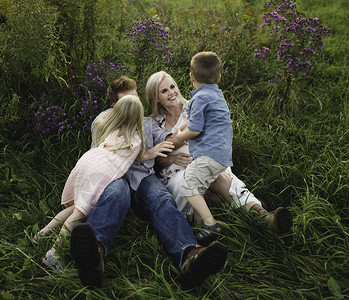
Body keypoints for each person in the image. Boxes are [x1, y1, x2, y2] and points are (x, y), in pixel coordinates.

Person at [69, 76, 228, 289]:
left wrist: (188, 130)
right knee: (116, 194)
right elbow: (103, 152)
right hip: (115, 177)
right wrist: (146, 153)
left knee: (161, 199)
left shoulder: (148, 123)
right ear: (115, 105)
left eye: (136, 99)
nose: (135, 106)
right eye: (127, 101)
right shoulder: (104, 120)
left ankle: (190, 256)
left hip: (143, 176)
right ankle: (93, 255)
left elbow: (168, 139)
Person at [146, 70, 293, 245]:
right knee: (191, 179)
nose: (171, 92)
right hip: (175, 172)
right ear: (156, 98)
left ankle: (265, 218)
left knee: (218, 175)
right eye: (164, 91)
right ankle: (211, 215)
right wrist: (171, 159)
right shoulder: (153, 123)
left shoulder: (195, 106)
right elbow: (156, 159)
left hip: (204, 159)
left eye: (172, 86)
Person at [36, 95, 146, 271]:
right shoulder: (136, 140)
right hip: (101, 172)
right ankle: (53, 254)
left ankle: (41, 234)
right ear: (138, 117)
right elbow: (139, 158)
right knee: (79, 213)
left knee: (73, 207)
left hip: (88, 161)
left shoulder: (110, 130)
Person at [169, 51, 233, 246]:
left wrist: (180, 136)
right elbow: (198, 120)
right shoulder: (216, 94)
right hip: (221, 154)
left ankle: (210, 223)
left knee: (187, 185)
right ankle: (199, 226)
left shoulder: (199, 97)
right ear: (219, 78)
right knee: (199, 187)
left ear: (191, 77)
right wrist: (184, 125)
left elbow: (195, 129)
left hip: (209, 154)